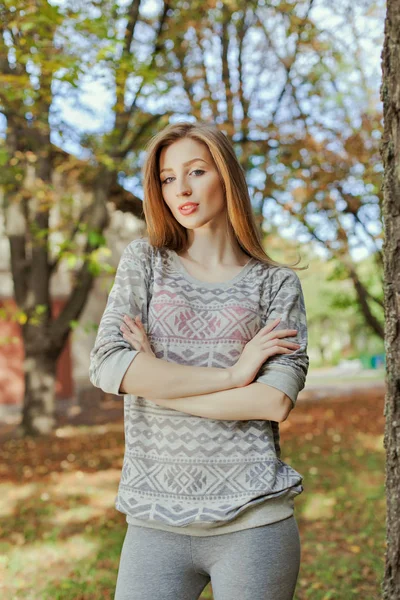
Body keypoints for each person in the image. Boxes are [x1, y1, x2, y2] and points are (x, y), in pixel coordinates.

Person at [89, 121, 309, 600]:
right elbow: (108, 366)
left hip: (255, 520)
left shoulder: (276, 284)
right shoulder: (144, 262)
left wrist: (154, 383)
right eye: (168, 178)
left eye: (195, 171)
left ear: (225, 177)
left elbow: (272, 401)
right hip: (154, 522)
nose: (181, 189)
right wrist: (233, 376)